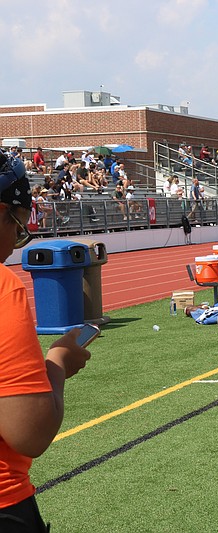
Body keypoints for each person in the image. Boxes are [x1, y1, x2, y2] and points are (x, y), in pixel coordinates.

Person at [0, 149, 92, 531]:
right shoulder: (3, 289)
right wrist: (57, 361)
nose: (13, 244)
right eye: (19, 228)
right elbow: (29, 433)